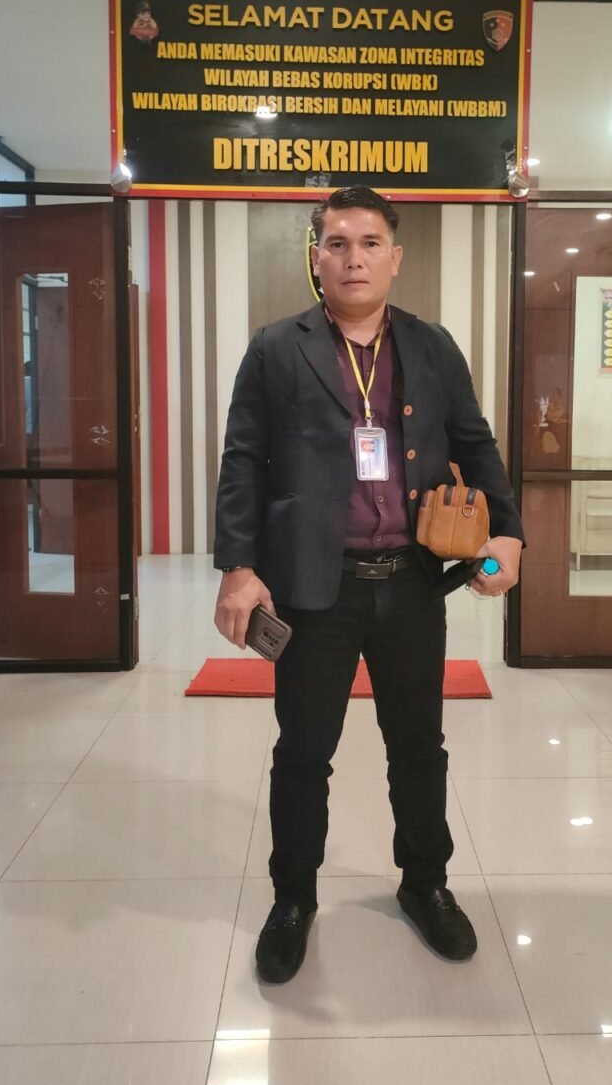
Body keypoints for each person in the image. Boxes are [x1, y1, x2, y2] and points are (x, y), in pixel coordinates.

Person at [214, 185, 524, 983]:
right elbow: (243, 461)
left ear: (395, 257)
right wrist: (239, 569)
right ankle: (293, 899)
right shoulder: (276, 348)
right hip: (314, 588)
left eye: (370, 243)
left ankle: (426, 884)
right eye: (338, 243)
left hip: (414, 585)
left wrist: (509, 532)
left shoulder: (431, 346)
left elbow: (476, 445)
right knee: (303, 753)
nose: (354, 258)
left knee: (419, 748)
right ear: (316, 257)